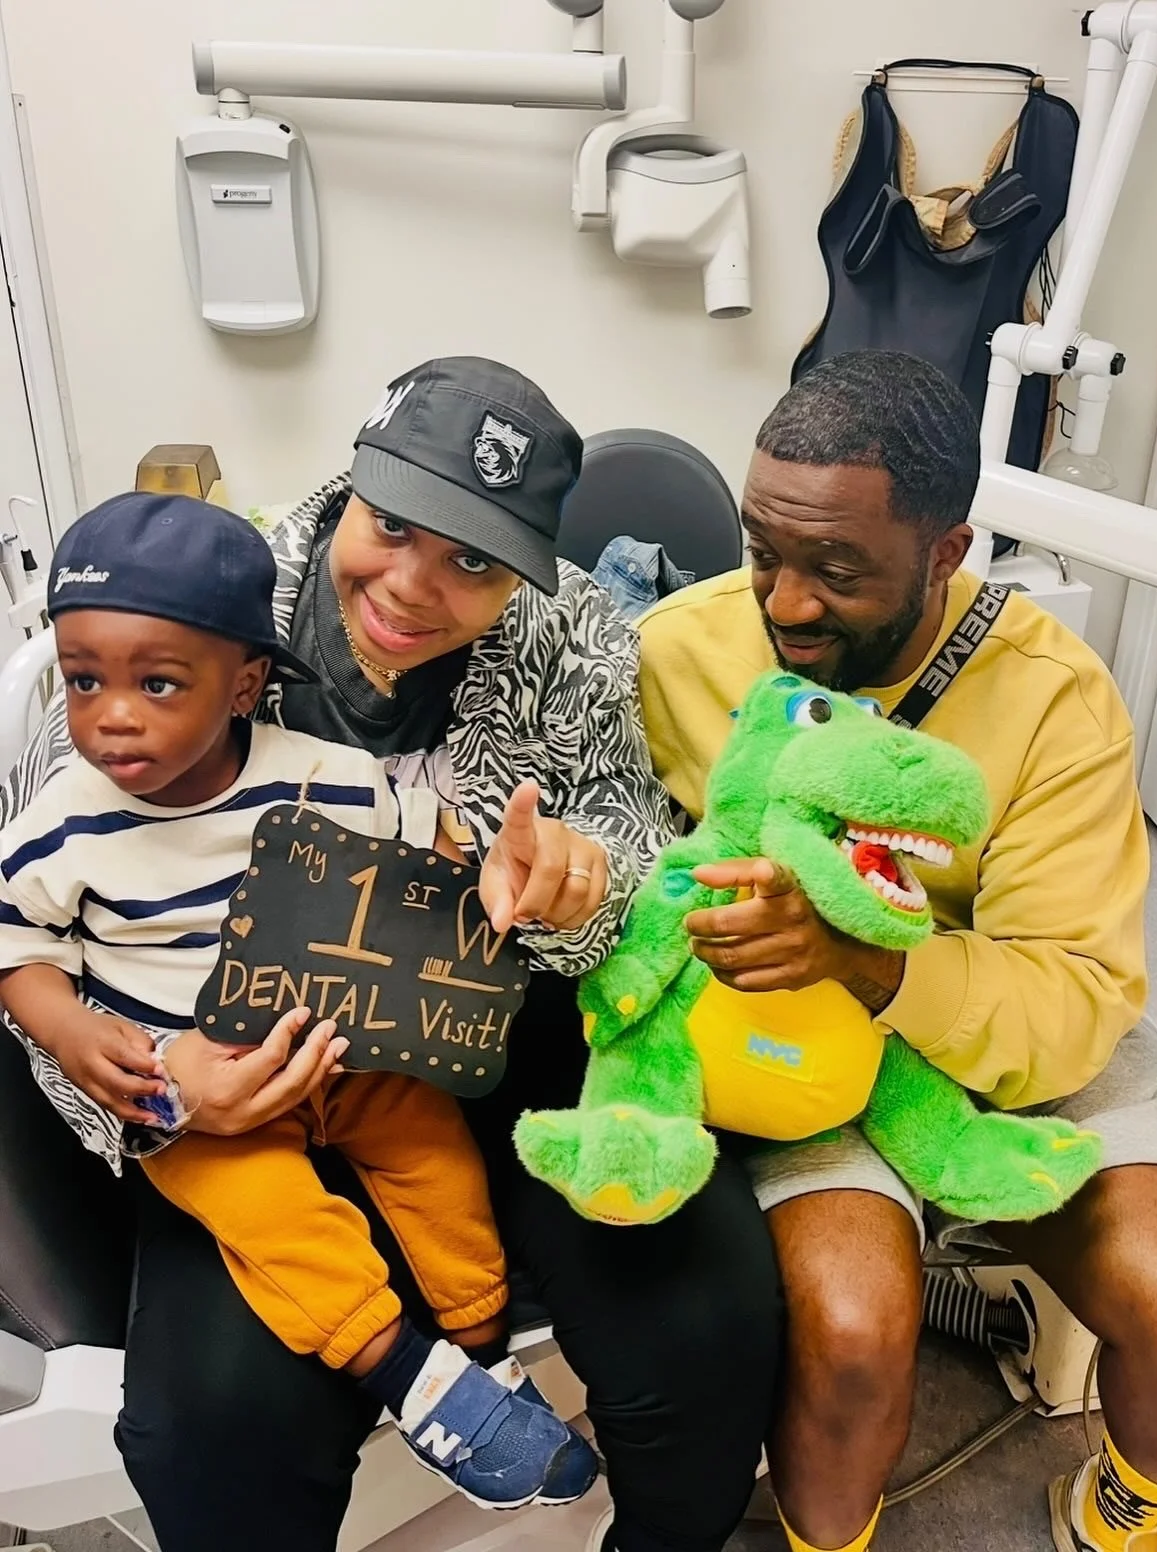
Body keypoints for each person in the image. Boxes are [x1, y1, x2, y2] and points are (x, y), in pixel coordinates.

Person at [0, 358, 782, 1552]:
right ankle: (434, 1385)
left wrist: (571, 882)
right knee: (213, 1427)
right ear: (349, 486)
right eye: (395, 527)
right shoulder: (176, 620)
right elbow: (39, 944)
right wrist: (165, 1087)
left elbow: (628, 851)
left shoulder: (569, 635)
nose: (413, 589)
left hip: (502, 1040)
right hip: (233, 1083)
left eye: (475, 560)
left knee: (706, 1316)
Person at [638, 350, 1157, 1552]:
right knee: (854, 1335)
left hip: (1011, 1020)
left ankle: (1130, 1504)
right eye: (763, 549)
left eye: (837, 569)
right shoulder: (679, 653)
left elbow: (1075, 1002)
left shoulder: (1055, 702)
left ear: (947, 554)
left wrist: (868, 963)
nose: (783, 603)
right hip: (798, 1043)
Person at [0, 491, 598, 1513]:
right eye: (84, 678)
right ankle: (409, 1377)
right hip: (198, 1098)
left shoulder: (326, 777)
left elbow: (430, 835)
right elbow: (19, 951)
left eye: (156, 682)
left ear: (244, 686)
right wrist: (74, 1028)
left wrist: (497, 858)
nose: (112, 714)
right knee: (287, 1226)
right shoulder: (63, 826)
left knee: (441, 1162)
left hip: (347, 1058)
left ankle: (480, 1352)